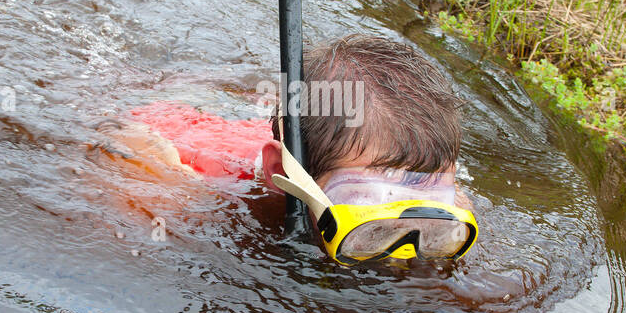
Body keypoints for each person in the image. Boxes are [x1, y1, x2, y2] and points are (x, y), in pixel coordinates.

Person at [93, 34, 477, 266]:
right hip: (180, 125)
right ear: (284, 174)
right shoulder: (212, 196)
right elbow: (115, 138)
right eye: (366, 202)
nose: (399, 251)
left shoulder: (447, 211)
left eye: (431, 210)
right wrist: (151, 171)